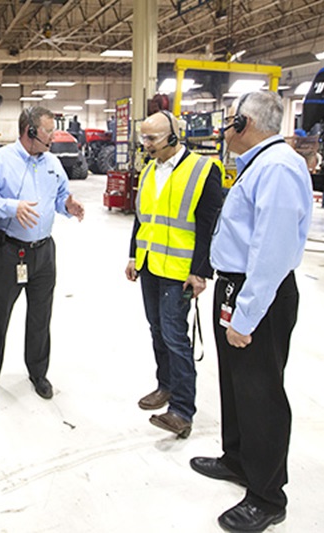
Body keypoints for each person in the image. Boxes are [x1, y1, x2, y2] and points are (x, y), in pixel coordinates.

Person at [190, 91, 312, 533]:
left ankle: (267, 495)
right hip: (235, 286)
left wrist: (246, 316)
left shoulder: (278, 168)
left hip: (259, 293)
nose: (225, 129)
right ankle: (238, 458)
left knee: (261, 391)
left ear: (246, 124)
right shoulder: (258, 164)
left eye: (231, 121)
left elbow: (271, 252)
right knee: (236, 381)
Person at [0, 106, 85, 402]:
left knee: (40, 317)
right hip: (9, 251)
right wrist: (11, 207)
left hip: (44, 253)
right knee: (0, 316)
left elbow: (60, 196)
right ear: (30, 131)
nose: (53, 136)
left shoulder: (52, 163)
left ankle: (38, 373)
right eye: (48, 131)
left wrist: (68, 206)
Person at [125, 110, 224, 438]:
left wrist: (200, 272)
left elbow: (209, 225)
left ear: (173, 136)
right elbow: (142, 217)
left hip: (179, 271)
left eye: (152, 138)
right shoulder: (149, 169)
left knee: (175, 337)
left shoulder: (203, 170)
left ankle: (182, 410)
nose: (146, 144)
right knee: (157, 330)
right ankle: (165, 386)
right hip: (150, 264)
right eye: (143, 137)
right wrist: (133, 255)